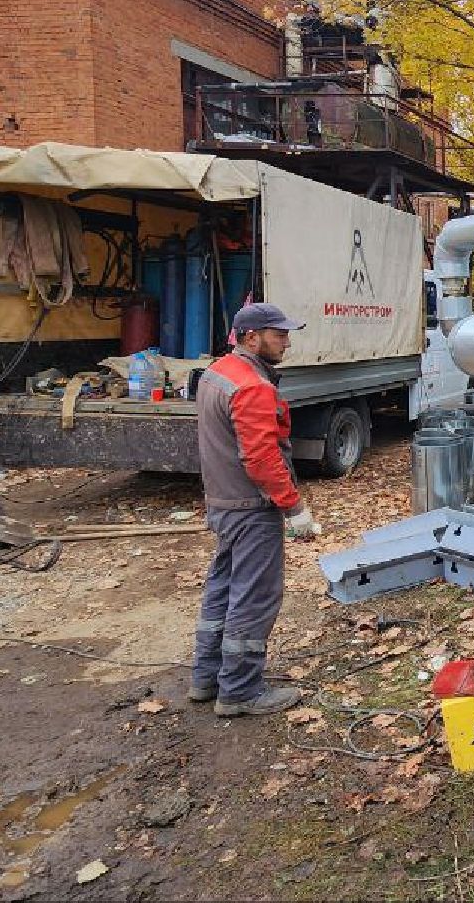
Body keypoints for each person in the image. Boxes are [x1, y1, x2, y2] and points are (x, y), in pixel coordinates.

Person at [190, 302, 321, 717]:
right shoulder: (252, 387)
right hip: (251, 509)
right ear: (251, 338)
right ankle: (240, 691)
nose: (286, 342)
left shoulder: (217, 374)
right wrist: (294, 508)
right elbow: (262, 459)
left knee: (223, 589)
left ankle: (207, 678)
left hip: (223, 502)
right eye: (278, 334)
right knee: (254, 597)